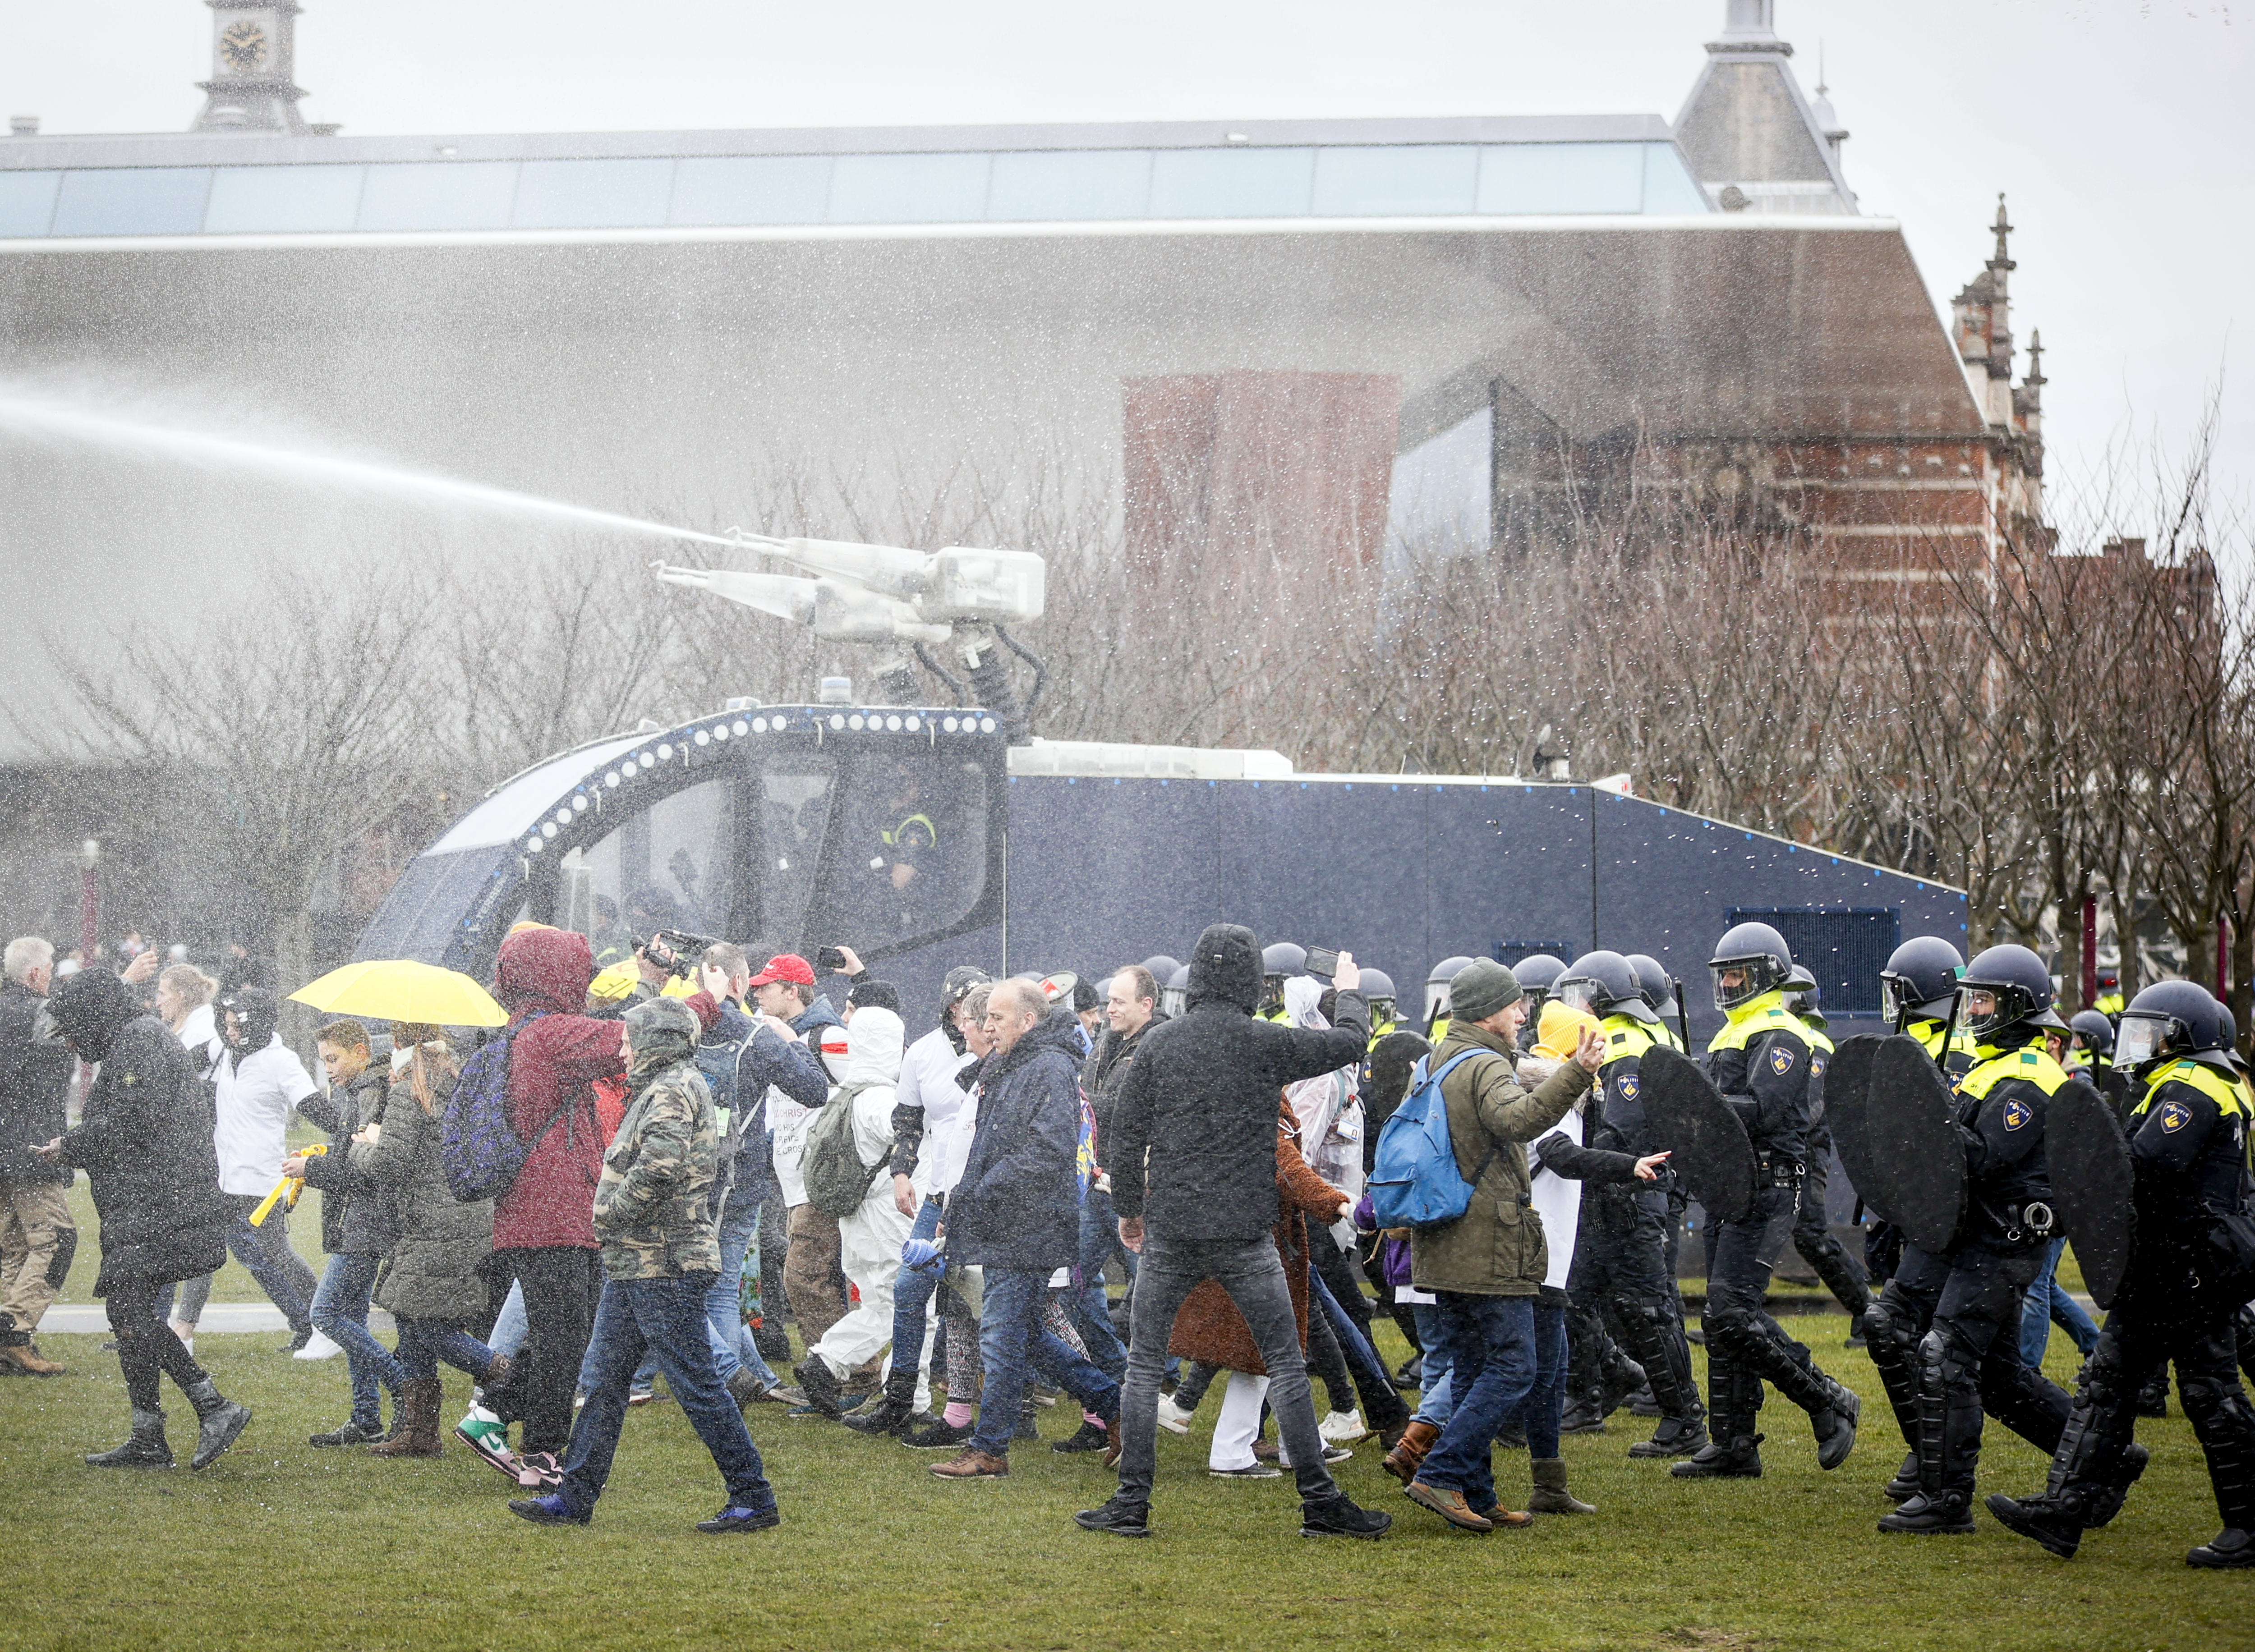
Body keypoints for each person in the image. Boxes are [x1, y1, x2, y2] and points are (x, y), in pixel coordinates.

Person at [1081, 926, 1389, 1542]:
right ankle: (1320, 1503)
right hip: (1247, 1232)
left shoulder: (1161, 1046)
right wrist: (1348, 991)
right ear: (1251, 981)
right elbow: (1352, 1042)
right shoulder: (1265, 1044)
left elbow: (1123, 1136)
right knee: (1285, 1364)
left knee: (1143, 1367)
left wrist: (1132, 1214)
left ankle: (1132, 1502)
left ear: (1194, 980)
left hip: (1171, 1228)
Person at [1988, 979, 2255, 1567]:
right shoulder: (2167, 1085)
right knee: (2106, 1385)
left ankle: (2249, 1526)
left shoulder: (2196, 1087)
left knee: (2212, 1395)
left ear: (2181, 1036)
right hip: (2158, 1268)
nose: (2137, 1044)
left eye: (2150, 1031)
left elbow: (2143, 1166)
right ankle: (2065, 1511)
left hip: (2193, 1269)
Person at [510, 998, 781, 1533]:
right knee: (604, 1381)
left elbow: (661, 1166)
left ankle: (753, 1496)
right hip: (639, 1262)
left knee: (697, 1384)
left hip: (665, 1263)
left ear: (658, 1042)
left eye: (632, 1039)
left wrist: (609, 1212)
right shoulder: (664, 1085)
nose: (622, 1048)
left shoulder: (672, 1088)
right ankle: (574, 1497)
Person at [1870, 945, 2078, 1534]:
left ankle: (1945, 1498)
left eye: (1986, 1000)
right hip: (1973, 1236)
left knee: (1946, 1356)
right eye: (1973, 999)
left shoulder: (2030, 1076)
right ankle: (2103, 1456)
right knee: (2002, 1379)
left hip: (2001, 1240)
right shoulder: (1995, 1065)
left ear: (2017, 1006)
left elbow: (1980, 1158)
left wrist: (1920, 1128)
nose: (1976, 1010)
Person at [1394, 958, 1602, 1533]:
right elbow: (1519, 1121)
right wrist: (1576, 1072)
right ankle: (1442, 1471)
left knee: (1468, 1367)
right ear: (1490, 1012)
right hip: (1486, 1241)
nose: (1523, 1013)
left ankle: (1477, 1493)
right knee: (1515, 1365)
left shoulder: (1433, 1058)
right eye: (1515, 1004)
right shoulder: (1486, 1064)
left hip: (1439, 1235)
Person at [38, 968, 247, 1470]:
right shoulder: (138, 1039)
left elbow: (134, 1121)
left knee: (130, 1313)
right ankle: (148, 1435)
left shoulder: (140, 1042)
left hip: (162, 1204)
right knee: (127, 1312)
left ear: (93, 1017)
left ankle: (214, 1406)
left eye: (70, 1028)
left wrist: (72, 1145)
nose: (68, 1041)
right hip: (153, 1202)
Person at [1672, 922, 1859, 1480]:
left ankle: (1825, 1400)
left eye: (1738, 973)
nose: (1728, 983)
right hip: (1727, 1185)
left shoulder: (1781, 1032)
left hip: (1768, 1184)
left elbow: (1762, 1108)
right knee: (1721, 1315)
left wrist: (1693, 1103)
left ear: (1766, 977)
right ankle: (1732, 1443)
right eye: (1723, 973)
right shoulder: (1734, 1031)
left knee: (1732, 1312)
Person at [929, 979, 1122, 1479]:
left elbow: (1047, 1149)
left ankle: (989, 1448)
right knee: (1025, 1334)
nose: (985, 1026)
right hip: (1005, 1221)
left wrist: (982, 1190)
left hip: (1028, 1224)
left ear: (1027, 1021)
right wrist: (966, 1200)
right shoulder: (1010, 1064)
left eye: (995, 1017)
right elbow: (985, 1145)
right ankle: (1116, 1404)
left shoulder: (1050, 1068)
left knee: (1001, 1336)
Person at [478, 926, 629, 1491]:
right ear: (552, 975)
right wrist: (711, 1002)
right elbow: (631, 1036)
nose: (585, 983)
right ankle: (541, 1452)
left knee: (564, 1333)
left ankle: (493, 1411)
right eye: (579, 972)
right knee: (562, 1337)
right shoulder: (549, 1034)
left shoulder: (530, 1031)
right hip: (552, 1212)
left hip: (555, 1209)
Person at [1549, 951, 1705, 1460]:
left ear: (1601, 997)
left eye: (1579, 996)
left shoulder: (1623, 1045)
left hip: (1630, 1199)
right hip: (1612, 1198)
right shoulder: (1641, 1038)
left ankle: (1685, 1419)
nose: (1571, 1007)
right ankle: (1605, 1384)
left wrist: (1570, 1149)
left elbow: (1621, 1132)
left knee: (1648, 1310)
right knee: (1572, 1297)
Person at [1172, 1095, 1353, 1478]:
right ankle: (1233, 1451)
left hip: (1235, 1234)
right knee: (1270, 1348)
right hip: (1259, 1241)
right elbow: (1285, 1169)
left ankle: (1294, 1443)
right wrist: (1336, 1203)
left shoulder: (1221, 1098)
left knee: (1274, 1346)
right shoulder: (1258, 1101)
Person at [352, 1023, 508, 1458]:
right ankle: (419, 1432)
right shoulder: (458, 1080)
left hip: (432, 1222)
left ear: (399, 1043)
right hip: (468, 1216)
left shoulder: (409, 1092)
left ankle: (507, 1377)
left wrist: (361, 1146)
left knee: (428, 1326)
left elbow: (392, 1164)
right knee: (409, 1313)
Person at [684, 942, 828, 1409]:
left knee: (691, 1286)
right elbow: (814, 1089)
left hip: (682, 1173)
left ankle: (738, 1378)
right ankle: (730, 1383)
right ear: (740, 983)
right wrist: (790, 1041)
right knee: (718, 1291)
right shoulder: (757, 1034)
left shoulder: (676, 1027)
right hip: (738, 1175)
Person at [846, 965, 988, 1438]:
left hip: (984, 1191)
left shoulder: (999, 1051)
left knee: (980, 1301)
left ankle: (1031, 1404)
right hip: (937, 1188)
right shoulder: (923, 1053)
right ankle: (900, 1400)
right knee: (910, 1289)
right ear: (949, 1007)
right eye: (964, 1005)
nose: (971, 1015)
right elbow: (907, 1120)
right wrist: (901, 1172)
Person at [795, 1001, 919, 1417]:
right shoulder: (882, 1098)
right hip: (886, 1219)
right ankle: (905, 1399)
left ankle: (828, 1363)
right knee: (910, 1308)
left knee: (881, 1307)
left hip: (856, 1217)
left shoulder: (846, 1093)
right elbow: (906, 1137)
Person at [292, 1018, 403, 1444]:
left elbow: (364, 1172)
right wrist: (319, 1156)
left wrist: (313, 1168)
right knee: (353, 1318)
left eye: (334, 1059)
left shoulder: (372, 1092)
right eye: (323, 1062)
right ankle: (366, 1419)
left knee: (325, 1314)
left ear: (361, 1052)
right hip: (356, 1220)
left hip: (367, 1221)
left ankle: (401, 1385)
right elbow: (349, 1155)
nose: (329, 1069)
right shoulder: (357, 1091)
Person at [211, 987, 323, 1350]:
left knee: (276, 1252)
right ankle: (305, 1322)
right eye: (226, 1025)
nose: (229, 1033)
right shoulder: (225, 1052)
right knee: (205, 1248)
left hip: (261, 1178)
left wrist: (350, 1130)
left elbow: (311, 1104)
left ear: (255, 1025)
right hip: (224, 1177)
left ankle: (323, 1319)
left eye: (235, 1026)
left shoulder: (281, 1060)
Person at [1781, 965, 1873, 1344]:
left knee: (1811, 1236)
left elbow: (1811, 1106)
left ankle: (1867, 1308)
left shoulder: (1816, 1044)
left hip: (1806, 1153)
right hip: (1786, 1150)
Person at [0, 936, 75, 1375]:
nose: (51, 975)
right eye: (49, 968)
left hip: (3, 1148)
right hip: (31, 1148)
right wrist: (123, 981)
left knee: (12, 1248)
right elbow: (86, 1020)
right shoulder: (36, 1013)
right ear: (34, 974)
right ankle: (14, 1332)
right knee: (58, 1240)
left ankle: (8, 1341)